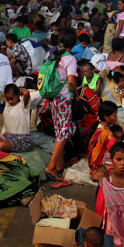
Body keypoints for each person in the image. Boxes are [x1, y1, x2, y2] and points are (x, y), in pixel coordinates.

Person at [44, 28, 79, 181]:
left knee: (59, 131)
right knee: (63, 134)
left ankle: (59, 164)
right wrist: (76, 94)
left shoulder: (54, 56)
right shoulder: (70, 59)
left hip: (53, 98)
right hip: (64, 99)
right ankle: (51, 167)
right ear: (74, 43)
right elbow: (71, 81)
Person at [0, 84, 38, 153]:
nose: (10, 101)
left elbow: (26, 93)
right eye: (8, 99)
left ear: (18, 95)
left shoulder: (23, 106)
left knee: (1, 146)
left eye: (11, 99)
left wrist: (18, 89)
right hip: (7, 137)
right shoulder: (7, 104)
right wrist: (10, 93)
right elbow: (2, 95)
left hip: (21, 140)